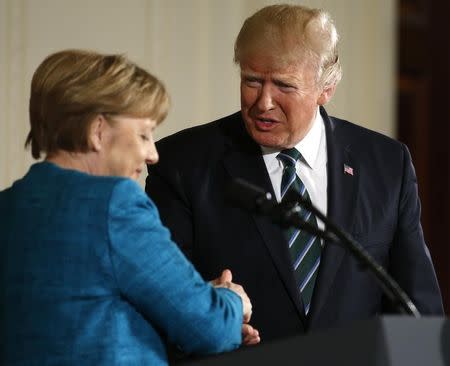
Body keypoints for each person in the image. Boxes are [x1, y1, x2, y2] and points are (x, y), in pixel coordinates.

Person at [146, 4, 443, 343]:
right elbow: (159, 303)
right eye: (252, 81)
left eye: (284, 86)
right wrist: (214, 327)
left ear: (326, 88)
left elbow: (419, 311)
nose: (264, 103)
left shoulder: (387, 163)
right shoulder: (184, 163)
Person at [0, 49, 260, 366]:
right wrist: (231, 301)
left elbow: (84, 308)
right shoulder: (114, 203)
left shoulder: (8, 207)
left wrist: (195, 299)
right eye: (143, 134)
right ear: (97, 130)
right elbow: (210, 327)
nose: (153, 154)